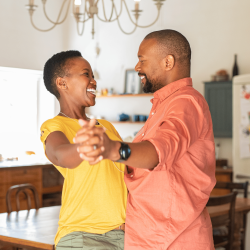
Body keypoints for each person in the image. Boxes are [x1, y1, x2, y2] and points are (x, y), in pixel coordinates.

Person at [74, 30, 216, 250]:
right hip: (147, 234)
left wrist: (112, 149)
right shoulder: (163, 106)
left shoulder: (187, 102)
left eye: (142, 60)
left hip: (174, 240)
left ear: (168, 62)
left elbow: (159, 151)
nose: (137, 67)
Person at [40, 50, 127, 250]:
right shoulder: (54, 126)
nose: (94, 81)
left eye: (93, 76)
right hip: (83, 236)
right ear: (62, 83)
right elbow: (60, 154)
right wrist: (86, 146)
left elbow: (127, 171)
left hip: (124, 234)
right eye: (86, 74)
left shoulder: (105, 126)